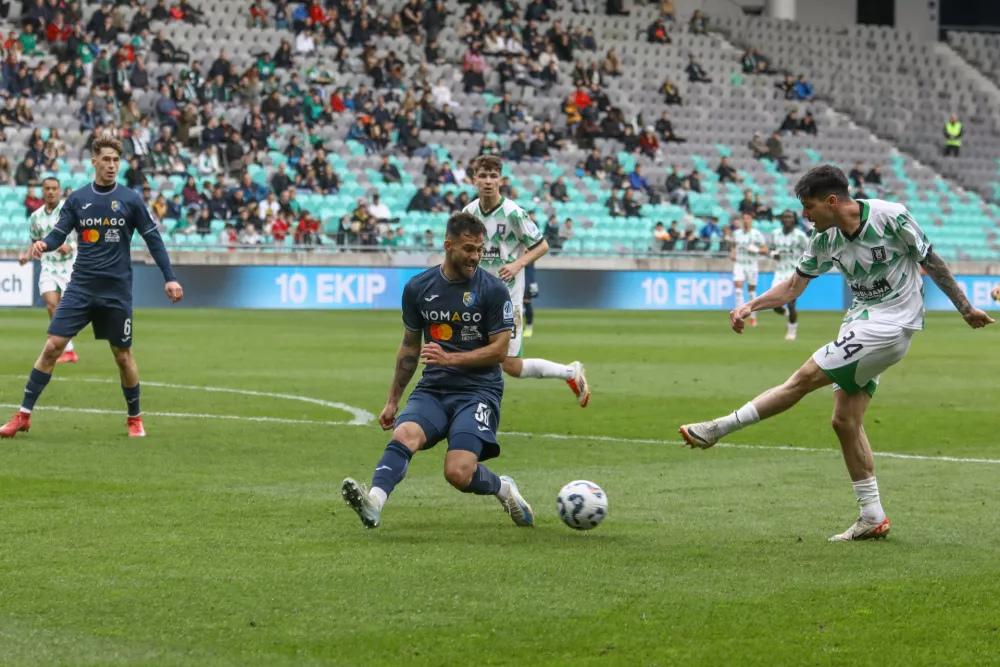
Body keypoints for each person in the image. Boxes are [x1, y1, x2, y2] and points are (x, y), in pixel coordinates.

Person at [679, 165, 994, 541]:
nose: (805, 216)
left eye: (809, 207)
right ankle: (872, 516)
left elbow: (931, 261)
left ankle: (718, 428)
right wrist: (752, 304)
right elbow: (794, 286)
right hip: (859, 322)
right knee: (844, 421)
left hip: (892, 325)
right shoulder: (824, 239)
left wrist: (965, 308)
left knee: (802, 379)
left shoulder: (890, 217)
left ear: (832, 201)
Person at [341, 212, 534, 529]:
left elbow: (500, 350)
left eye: (479, 249)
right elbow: (409, 346)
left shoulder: (493, 290)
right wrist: (392, 400)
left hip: (478, 392)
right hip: (434, 389)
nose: (475, 256)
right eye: (468, 249)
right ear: (448, 246)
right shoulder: (418, 287)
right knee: (404, 434)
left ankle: (504, 489)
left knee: (457, 472)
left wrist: (451, 359)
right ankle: (374, 502)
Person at [1, 135, 184, 440]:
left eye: (116, 160)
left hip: (116, 291)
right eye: (107, 160)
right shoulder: (77, 199)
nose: (112, 166)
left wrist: (170, 276)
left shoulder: (131, 199)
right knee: (51, 348)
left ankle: (134, 418)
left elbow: (153, 238)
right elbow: (59, 233)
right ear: (94, 162)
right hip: (81, 287)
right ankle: (23, 416)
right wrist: (45, 244)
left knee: (123, 356)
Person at [463, 155, 590, 407]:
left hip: (508, 300)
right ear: (474, 180)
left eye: (493, 176)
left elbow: (542, 245)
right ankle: (469, 405)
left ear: (501, 180)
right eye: (483, 176)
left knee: (511, 365)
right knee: (468, 353)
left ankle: (570, 373)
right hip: (477, 298)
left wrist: (518, 263)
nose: (488, 181)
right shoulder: (468, 213)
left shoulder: (513, 214)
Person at [18, 177, 79, 363]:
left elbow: (86, 235)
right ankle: (68, 349)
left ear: (59, 191)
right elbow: (34, 241)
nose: (51, 192)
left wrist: (72, 245)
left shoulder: (70, 211)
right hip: (48, 267)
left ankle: (61, 341)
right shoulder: (35, 216)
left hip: (70, 267)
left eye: (54, 188)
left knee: (69, 309)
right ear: (42, 191)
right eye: (47, 188)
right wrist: (27, 256)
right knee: (51, 304)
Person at [769, 210, 810, 340]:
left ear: (794, 220)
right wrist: (773, 254)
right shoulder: (775, 234)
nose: (787, 219)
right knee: (775, 304)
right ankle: (787, 314)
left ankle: (792, 330)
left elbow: (810, 249)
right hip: (779, 272)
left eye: (790, 217)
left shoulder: (800, 236)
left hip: (794, 272)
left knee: (791, 302)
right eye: (785, 217)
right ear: (781, 219)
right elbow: (770, 248)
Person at [730, 212, 768, 328]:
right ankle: (739, 316)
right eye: (744, 218)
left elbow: (765, 250)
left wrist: (755, 250)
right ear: (742, 220)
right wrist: (732, 254)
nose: (746, 221)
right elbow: (733, 246)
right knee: (738, 289)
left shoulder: (757, 234)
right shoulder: (736, 234)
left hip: (751, 265)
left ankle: (753, 316)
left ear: (751, 220)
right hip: (739, 264)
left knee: (751, 292)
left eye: (748, 218)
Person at [523, 260, 538, 337]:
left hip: (527, 274)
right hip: (515, 272)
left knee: (526, 300)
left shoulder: (529, 248)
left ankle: (529, 326)